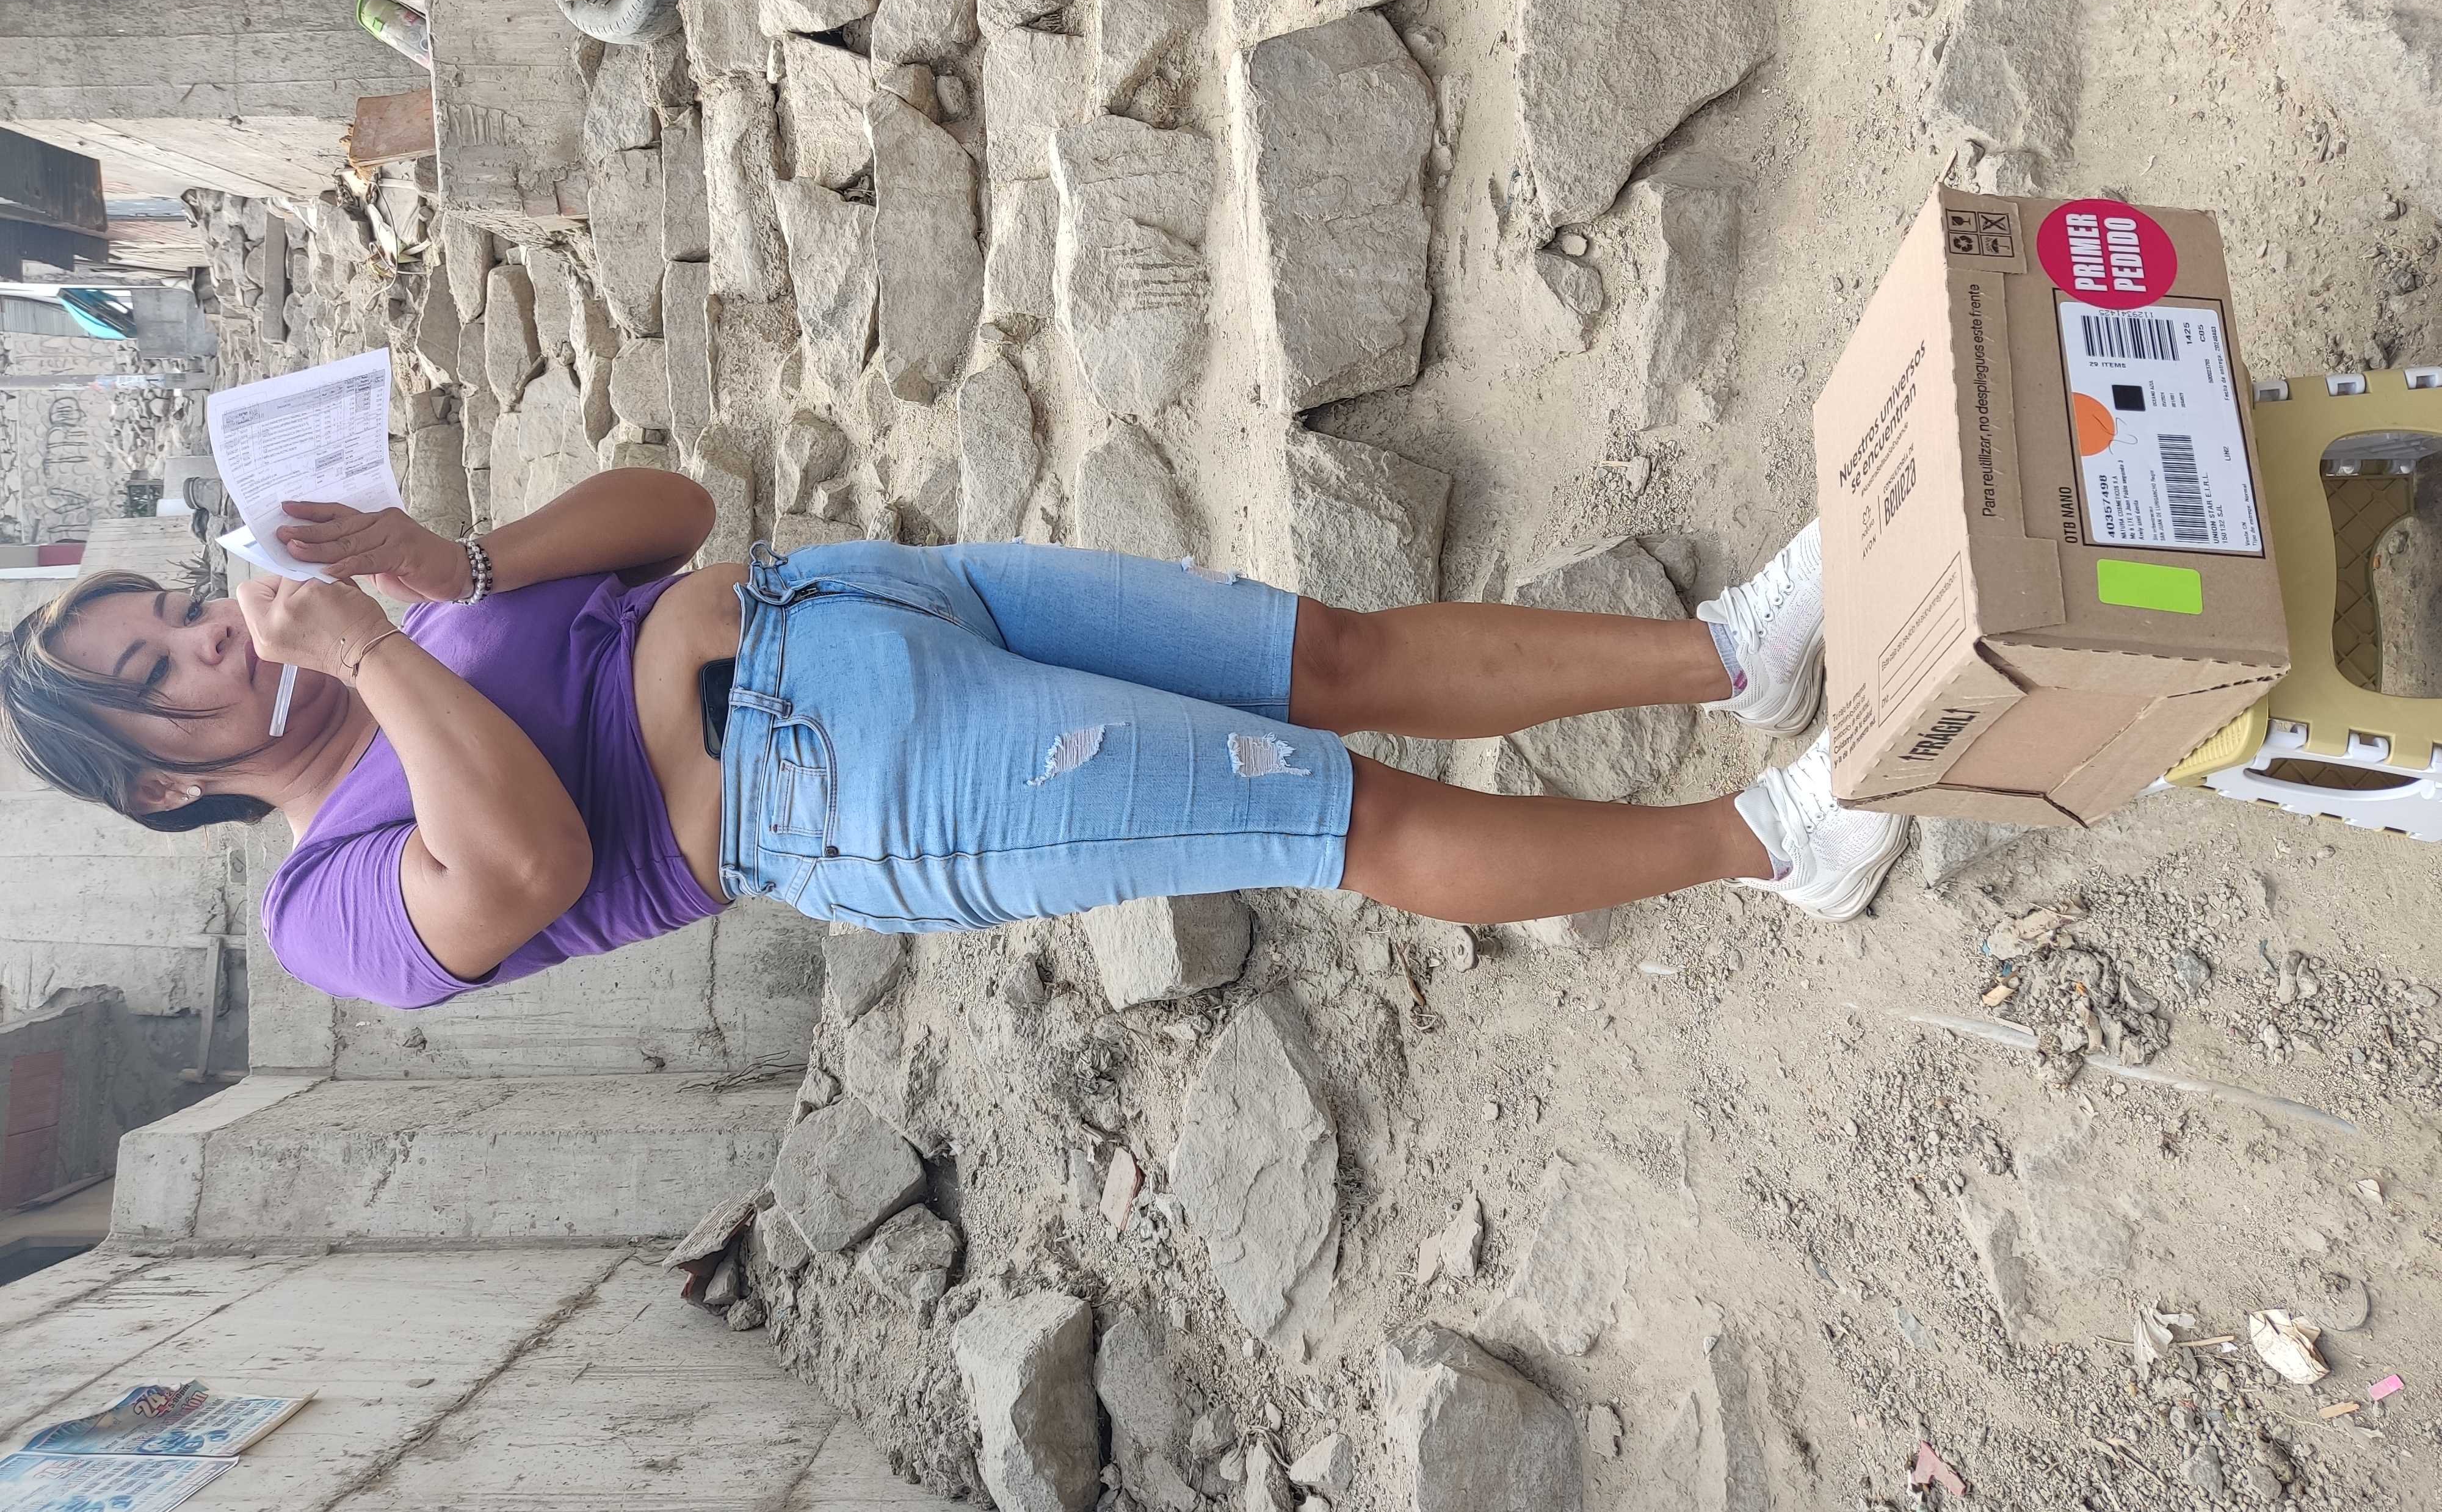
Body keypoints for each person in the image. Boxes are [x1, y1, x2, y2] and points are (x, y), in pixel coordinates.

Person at [0, 471, 1907, 1010]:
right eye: (161, 671)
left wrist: (455, 563)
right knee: (1354, 822)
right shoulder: (323, 906)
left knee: (1329, 653)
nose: (207, 636)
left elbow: (674, 510)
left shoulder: (406, 630)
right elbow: (529, 862)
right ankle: (1773, 844)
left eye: (172, 608)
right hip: (862, 792)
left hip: (858, 600)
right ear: (162, 781)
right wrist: (378, 650)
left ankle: (1724, 656)